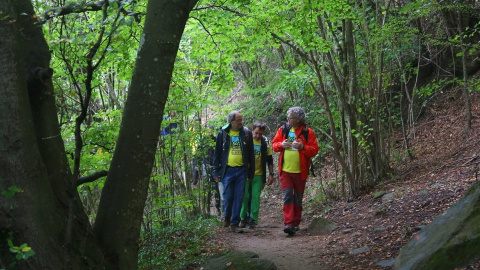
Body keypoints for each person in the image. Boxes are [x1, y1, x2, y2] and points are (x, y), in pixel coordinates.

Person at [272, 107, 319, 235]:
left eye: (290, 118)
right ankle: (288, 223)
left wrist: (303, 146)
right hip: (285, 171)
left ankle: (296, 222)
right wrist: (281, 145)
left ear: (298, 120)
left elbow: (314, 150)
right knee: (288, 196)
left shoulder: (307, 132)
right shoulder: (284, 129)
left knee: (298, 198)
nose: (288, 120)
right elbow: (274, 145)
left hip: (300, 171)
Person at [213, 110, 255, 232]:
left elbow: (251, 155)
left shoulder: (246, 133)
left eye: (242, 120)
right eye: (238, 120)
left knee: (239, 197)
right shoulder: (223, 133)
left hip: (242, 170)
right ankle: (227, 216)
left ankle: (234, 224)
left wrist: (251, 172)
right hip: (227, 171)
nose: (241, 122)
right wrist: (216, 171)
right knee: (228, 196)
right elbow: (217, 154)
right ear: (231, 122)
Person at [239, 122, 274, 228]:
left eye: (260, 134)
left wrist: (271, 174)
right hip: (245, 173)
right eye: (256, 133)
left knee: (255, 197)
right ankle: (242, 218)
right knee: (244, 196)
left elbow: (269, 160)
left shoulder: (265, 142)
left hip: (259, 175)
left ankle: (253, 219)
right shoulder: (246, 140)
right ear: (252, 130)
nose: (258, 136)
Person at [192, 125, 223, 216]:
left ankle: (219, 209)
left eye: (211, 130)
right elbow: (197, 158)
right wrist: (197, 175)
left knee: (216, 189)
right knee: (207, 190)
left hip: (215, 168)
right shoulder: (202, 142)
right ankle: (207, 210)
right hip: (206, 167)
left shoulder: (216, 140)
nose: (210, 132)